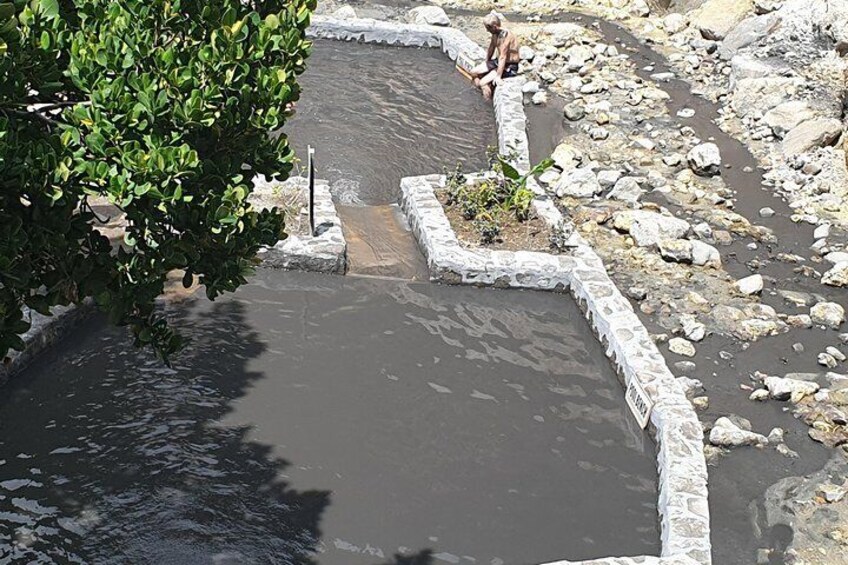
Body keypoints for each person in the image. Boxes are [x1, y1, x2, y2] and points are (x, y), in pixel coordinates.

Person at [471, 13, 520, 100]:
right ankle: (485, 89)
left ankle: (486, 102)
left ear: (494, 26)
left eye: (487, 28)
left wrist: (498, 76)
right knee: (473, 72)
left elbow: (503, 57)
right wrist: (487, 61)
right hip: (498, 62)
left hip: (509, 65)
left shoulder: (506, 36)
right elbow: (491, 47)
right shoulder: (495, 33)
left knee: (483, 83)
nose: (487, 31)